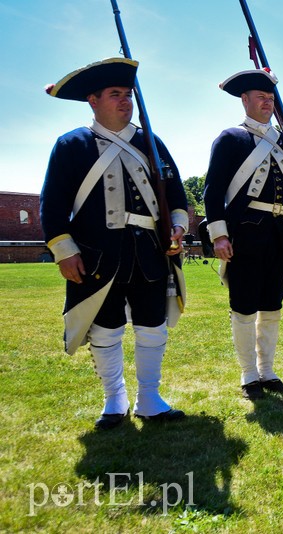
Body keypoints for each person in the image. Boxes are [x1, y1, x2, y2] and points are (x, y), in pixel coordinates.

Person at [41, 58, 188, 429]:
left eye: (128, 94)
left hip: (149, 252)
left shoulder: (150, 142)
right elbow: (53, 205)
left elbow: (177, 195)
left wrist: (178, 227)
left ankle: (150, 399)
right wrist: (64, 251)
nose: (125, 102)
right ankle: (113, 400)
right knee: (105, 327)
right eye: (115, 95)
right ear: (93, 100)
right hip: (97, 255)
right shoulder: (71, 145)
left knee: (152, 325)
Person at [204, 68, 283, 400]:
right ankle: (249, 374)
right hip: (246, 234)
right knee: (243, 306)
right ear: (245, 100)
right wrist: (219, 235)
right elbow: (213, 192)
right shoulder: (230, 139)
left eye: (271, 98)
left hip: (279, 235)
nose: (267, 103)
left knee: (272, 305)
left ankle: (267, 370)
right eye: (261, 97)